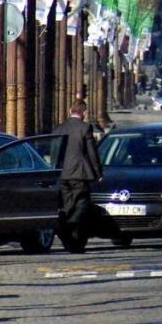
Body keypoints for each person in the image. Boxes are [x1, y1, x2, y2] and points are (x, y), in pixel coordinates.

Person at [53, 98, 103, 253]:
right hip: (79, 174)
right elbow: (91, 153)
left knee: (68, 207)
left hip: (62, 174)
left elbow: (54, 152)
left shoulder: (59, 128)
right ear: (83, 112)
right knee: (82, 205)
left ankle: (72, 243)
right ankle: (72, 230)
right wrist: (98, 172)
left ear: (70, 111)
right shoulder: (85, 128)